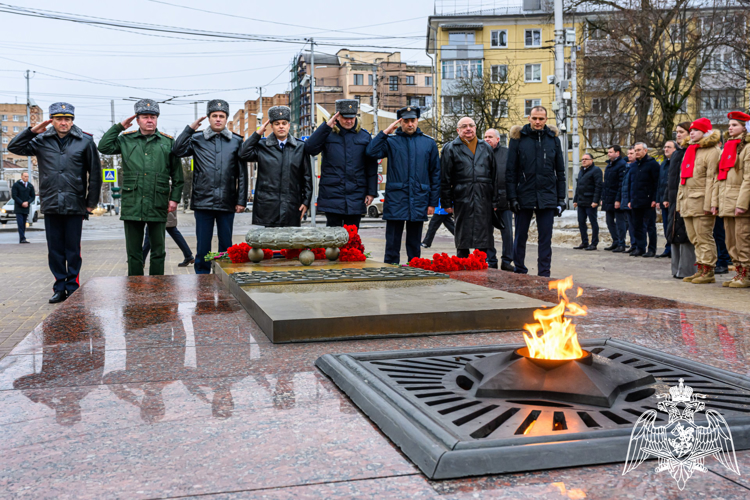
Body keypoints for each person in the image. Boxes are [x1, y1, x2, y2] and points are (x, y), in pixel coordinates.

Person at [8, 102, 101, 303]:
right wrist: (32, 131)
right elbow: (13, 146)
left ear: (72, 121)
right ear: (52, 120)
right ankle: (59, 287)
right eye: (59, 119)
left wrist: (90, 202)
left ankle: (73, 286)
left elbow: (95, 174)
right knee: (55, 250)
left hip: (75, 203)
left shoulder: (85, 141)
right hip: (51, 203)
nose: (63, 123)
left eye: (67, 119)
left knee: (73, 250)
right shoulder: (41, 140)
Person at [98, 99, 184, 277]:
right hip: (133, 202)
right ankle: (135, 288)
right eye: (145, 117)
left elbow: (177, 176)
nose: (149, 120)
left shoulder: (168, 142)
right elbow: (103, 146)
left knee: (158, 251)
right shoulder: (126, 140)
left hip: (158, 201)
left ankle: (157, 287)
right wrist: (119, 127)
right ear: (137, 120)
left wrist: (174, 199)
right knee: (134, 252)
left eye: (153, 116)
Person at [173, 99, 248, 274]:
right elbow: (177, 150)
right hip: (203, 201)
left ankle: (225, 274)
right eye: (214, 116)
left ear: (226, 118)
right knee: (203, 245)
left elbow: (242, 174)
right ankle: (202, 276)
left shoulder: (236, 142)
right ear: (208, 118)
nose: (218, 119)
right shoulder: (197, 139)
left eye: (221, 116)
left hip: (227, 201)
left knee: (226, 245)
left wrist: (241, 200)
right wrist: (189, 129)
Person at [365, 106, 440, 265]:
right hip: (396, 199)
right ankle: (390, 271)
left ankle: (414, 269)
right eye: (406, 121)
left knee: (414, 244)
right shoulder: (391, 141)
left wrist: (433, 202)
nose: (410, 124)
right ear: (400, 123)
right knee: (392, 242)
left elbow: (435, 174)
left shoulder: (428, 143)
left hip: (419, 199)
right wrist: (385, 133)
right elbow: (371, 152)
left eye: (412, 121)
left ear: (417, 121)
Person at [506, 106, 566, 277]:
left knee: (545, 238)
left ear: (546, 119)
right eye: (534, 118)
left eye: (541, 118)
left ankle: (544, 274)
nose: (537, 122)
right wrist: (512, 197)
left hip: (547, 196)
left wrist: (561, 198)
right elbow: (511, 171)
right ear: (529, 118)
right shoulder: (518, 139)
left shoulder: (553, 139)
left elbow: (560, 171)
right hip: (524, 194)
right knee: (520, 236)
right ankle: (519, 271)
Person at [304, 99, 378, 228]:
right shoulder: (328, 134)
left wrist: (371, 192)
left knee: (352, 237)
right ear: (337, 117)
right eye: (345, 118)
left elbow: (371, 167)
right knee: (333, 237)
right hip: (332, 194)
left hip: (356, 193)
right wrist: (326, 127)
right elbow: (310, 148)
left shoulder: (364, 137)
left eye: (352, 117)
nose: (349, 121)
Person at [239, 105, 312, 227]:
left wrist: (306, 202)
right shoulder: (262, 146)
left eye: (284, 123)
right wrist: (257, 134)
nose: (281, 126)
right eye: (277, 123)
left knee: (290, 243)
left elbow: (307, 177)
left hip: (292, 206)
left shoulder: (300, 147)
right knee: (270, 243)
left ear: (289, 125)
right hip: (268, 207)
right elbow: (243, 154)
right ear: (271, 126)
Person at [440, 117, 498, 267]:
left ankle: (482, 268)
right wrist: (446, 202)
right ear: (458, 130)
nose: (468, 129)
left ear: (475, 128)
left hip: (483, 198)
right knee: (463, 238)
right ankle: (463, 269)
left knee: (483, 237)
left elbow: (494, 176)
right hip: (462, 198)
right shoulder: (450, 148)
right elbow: (445, 178)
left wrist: (495, 201)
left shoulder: (485, 147)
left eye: (471, 125)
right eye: (464, 126)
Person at [676, 117, 721, 284]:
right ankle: (700, 268)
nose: (692, 132)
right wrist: (680, 202)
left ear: (705, 132)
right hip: (688, 200)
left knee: (704, 236)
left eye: (696, 130)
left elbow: (713, 179)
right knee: (694, 238)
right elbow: (683, 179)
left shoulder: (713, 151)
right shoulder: (691, 150)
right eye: (692, 130)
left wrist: (711, 203)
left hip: (702, 201)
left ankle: (708, 270)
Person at [712, 111, 750, 287]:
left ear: (744, 127)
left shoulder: (747, 147)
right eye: (729, 125)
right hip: (727, 201)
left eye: (735, 125)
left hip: (740, 202)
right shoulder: (729, 147)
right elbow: (720, 178)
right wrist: (716, 203)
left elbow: (748, 178)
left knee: (743, 239)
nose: (730, 127)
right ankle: (738, 272)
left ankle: (746, 274)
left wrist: (742, 204)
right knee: (731, 241)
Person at [664, 122, 695, 279]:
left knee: (685, 234)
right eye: (677, 132)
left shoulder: (693, 151)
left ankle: (687, 270)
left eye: (682, 131)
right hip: (674, 198)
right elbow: (670, 179)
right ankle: (676, 269)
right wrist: (666, 197)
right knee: (674, 233)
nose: (678, 135)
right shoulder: (677, 153)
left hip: (687, 198)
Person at [483, 128, 514, 271]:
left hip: (504, 200)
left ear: (497, 139)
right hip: (486, 201)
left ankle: (507, 261)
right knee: (486, 232)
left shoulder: (507, 154)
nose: (487, 139)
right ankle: (491, 260)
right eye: (485, 137)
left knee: (507, 232)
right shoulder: (480, 153)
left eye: (490, 137)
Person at [627, 143, 660, 257]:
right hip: (636, 201)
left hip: (648, 201)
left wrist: (655, 199)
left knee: (650, 226)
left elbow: (657, 183)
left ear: (645, 150)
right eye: (635, 150)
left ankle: (652, 249)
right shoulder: (633, 166)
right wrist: (630, 199)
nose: (637, 152)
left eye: (639, 150)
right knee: (637, 226)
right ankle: (640, 248)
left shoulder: (652, 164)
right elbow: (631, 183)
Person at [573, 153, 603, 251]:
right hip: (581, 202)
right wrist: (575, 200)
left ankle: (594, 243)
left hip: (590, 202)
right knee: (581, 222)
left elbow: (598, 186)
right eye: (582, 159)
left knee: (593, 222)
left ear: (591, 160)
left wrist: (595, 201)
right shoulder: (582, 171)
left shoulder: (596, 170)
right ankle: (584, 242)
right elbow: (578, 187)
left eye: (586, 159)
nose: (584, 161)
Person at [602, 145, 627, 252]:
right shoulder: (609, 166)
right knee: (609, 221)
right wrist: (603, 197)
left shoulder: (621, 165)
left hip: (617, 199)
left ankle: (621, 243)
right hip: (608, 198)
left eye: (611, 152)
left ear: (617, 153)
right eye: (608, 152)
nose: (608, 154)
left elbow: (621, 184)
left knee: (620, 222)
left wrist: (618, 200)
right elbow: (606, 184)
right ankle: (615, 241)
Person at [655, 141, 676, 258]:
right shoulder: (663, 164)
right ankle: (668, 248)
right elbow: (660, 183)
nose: (666, 149)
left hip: (672, 200)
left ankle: (674, 249)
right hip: (663, 200)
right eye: (665, 147)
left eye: (669, 147)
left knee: (673, 226)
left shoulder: (676, 162)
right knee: (666, 226)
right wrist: (658, 199)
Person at [11, 172, 35, 244]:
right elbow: (14, 196)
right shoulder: (16, 185)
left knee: (24, 223)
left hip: (26, 207)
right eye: (25, 176)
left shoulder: (30, 186)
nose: (26, 178)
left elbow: (32, 196)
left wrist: (28, 202)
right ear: (21, 177)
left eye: (27, 176)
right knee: (20, 223)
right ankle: (22, 238)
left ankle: (22, 238)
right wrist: (21, 203)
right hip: (19, 207)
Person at [620, 147, 637, 252]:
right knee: (630, 226)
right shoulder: (627, 167)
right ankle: (633, 245)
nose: (629, 155)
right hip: (627, 201)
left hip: (635, 201)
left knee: (636, 226)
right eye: (628, 153)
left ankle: (637, 245)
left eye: (631, 153)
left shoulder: (635, 167)